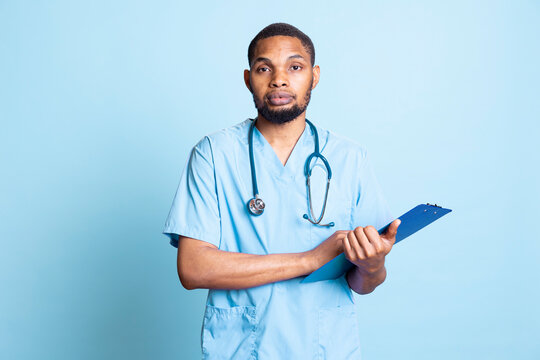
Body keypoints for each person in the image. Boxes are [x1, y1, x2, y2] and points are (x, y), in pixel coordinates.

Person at [163, 22, 401, 359]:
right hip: (242, 348)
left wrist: (373, 266)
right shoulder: (214, 155)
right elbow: (193, 268)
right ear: (248, 79)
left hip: (325, 348)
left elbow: (363, 283)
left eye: (295, 66)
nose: (279, 79)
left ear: (314, 76)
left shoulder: (350, 158)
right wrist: (310, 259)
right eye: (264, 68)